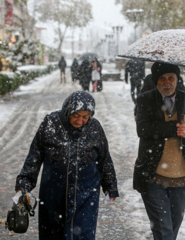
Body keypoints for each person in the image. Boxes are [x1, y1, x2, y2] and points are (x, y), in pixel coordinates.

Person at [14, 90, 119, 239]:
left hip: (86, 193)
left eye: (85, 117)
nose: (80, 121)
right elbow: (34, 156)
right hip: (53, 193)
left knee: (83, 233)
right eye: (76, 115)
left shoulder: (94, 127)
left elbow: (104, 158)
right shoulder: (50, 123)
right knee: (53, 232)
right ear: (67, 111)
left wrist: (110, 186)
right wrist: (24, 183)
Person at [134, 62, 185, 240]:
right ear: (156, 81)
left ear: (177, 79)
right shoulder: (145, 99)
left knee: (171, 230)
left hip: (181, 179)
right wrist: (173, 127)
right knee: (164, 231)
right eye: (162, 79)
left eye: (171, 78)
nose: (167, 83)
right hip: (154, 176)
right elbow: (142, 130)